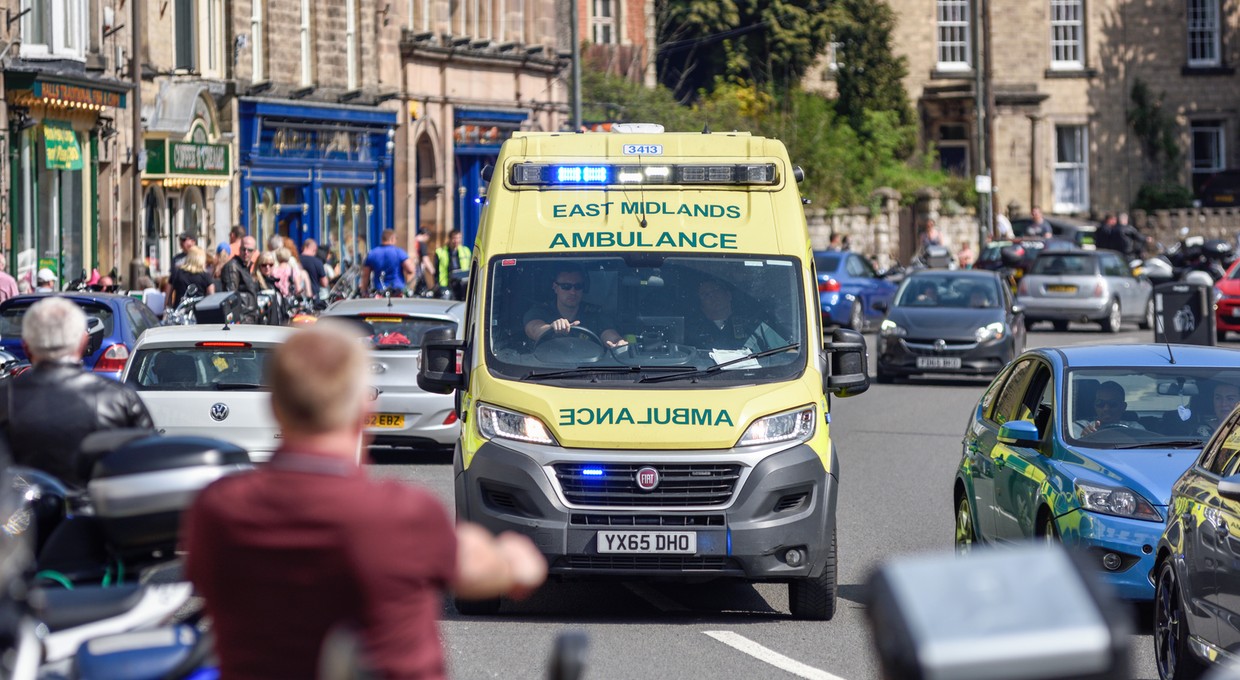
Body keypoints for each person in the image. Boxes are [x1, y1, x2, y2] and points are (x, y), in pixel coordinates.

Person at [183, 323, 547, 679]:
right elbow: (481, 567)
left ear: (276, 406)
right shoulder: (402, 514)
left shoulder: (217, 511)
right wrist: (515, 561)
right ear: (363, 411)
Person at [0, 297, 153, 487]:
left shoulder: (5, 398)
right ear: (83, 343)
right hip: (96, 510)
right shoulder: (119, 398)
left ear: (26, 347)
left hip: (19, 512)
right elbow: (148, 465)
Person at [523, 265, 626, 347]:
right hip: (546, 369)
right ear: (555, 288)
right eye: (566, 286)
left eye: (578, 286)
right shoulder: (540, 311)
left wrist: (617, 342)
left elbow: (608, 333)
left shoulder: (594, 313)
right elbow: (533, 329)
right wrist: (551, 328)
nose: (573, 292)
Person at [685, 277, 786, 352]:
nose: (712, 295)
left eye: (716, 290)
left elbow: (788, 354)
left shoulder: (755, 325)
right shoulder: (693, 333)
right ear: (701, 305)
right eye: (705, 294)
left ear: (728, 295)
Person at [1076, 381, 1145, 436]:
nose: (1106, 408)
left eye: (1113, 403)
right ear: (1094, 405)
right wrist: (1084, 439)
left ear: (1123, 407)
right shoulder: (1079, 427)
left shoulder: (1135, 429)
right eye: (1100, 403)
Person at [361, 229, 415, 295]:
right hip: (397, 290)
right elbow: (411, 269)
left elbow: (365, 275)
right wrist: (407, 285)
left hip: (379, 291)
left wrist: (364, 291)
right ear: (392, 239)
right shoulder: (399, 252)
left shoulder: (372, 253)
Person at [221, 236, 261, 323]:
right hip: (242, 318)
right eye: (243, 249)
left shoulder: (245, 267)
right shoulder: (233, 266)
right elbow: (230, 295)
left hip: (250, 317)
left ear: (254, 251)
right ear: (239, 249)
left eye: (249, 250)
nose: (246, 252)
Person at [436, 230, 471, 300]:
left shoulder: (466, 251)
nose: (456, 240)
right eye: (454, 238)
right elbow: (436, 270)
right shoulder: (440, 251)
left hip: (462, 284)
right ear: (450, 239)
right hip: (445, 284)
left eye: (459, 238)